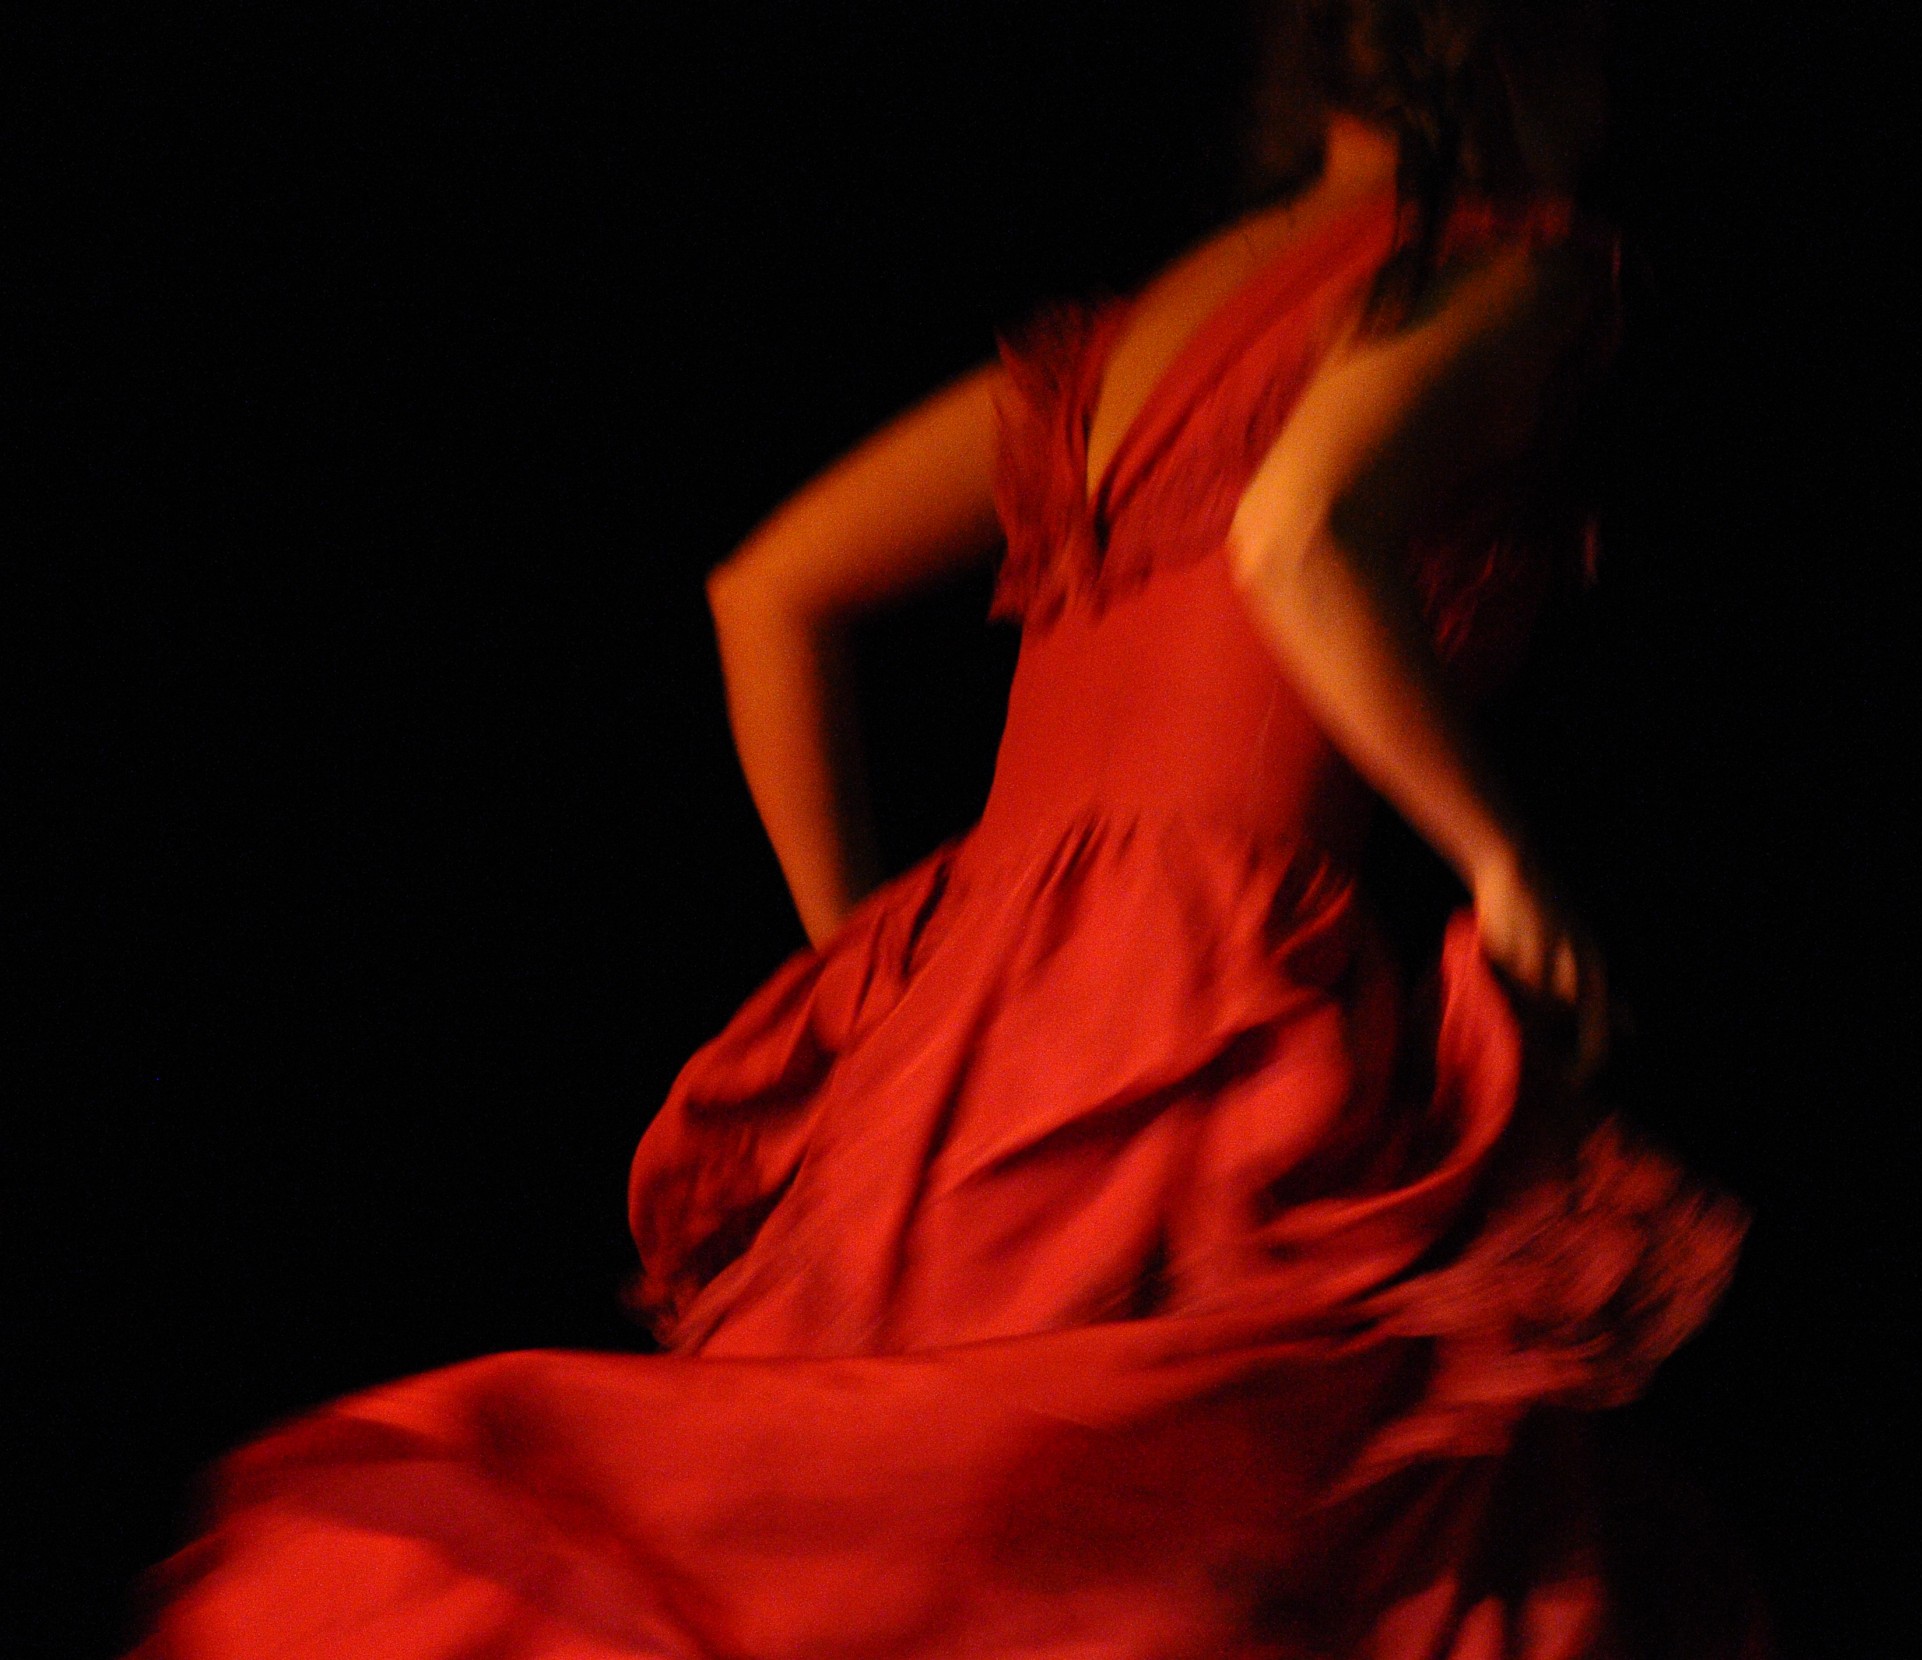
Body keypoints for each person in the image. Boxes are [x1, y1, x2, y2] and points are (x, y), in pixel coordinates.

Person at [131, 2, 1759, 1654]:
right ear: (1509, 49)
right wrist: (1499, 857)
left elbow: (767, 594)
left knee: (889, 1534)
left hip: (965, 1018)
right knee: (1173, 1534)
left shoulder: (1132, 335)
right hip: (1213, 994)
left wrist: (873, 964)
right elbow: (1299, 530)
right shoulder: (1524, 264)